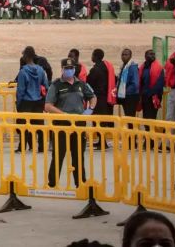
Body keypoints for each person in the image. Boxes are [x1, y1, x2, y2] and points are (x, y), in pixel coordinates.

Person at [45, 58, 96, 188]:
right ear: (62, 69)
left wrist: (89, 110)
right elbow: (48, 106)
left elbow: (93, 97)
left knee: (78, 155)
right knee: (58, 155)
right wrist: (64, 115)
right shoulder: (56, 85)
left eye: (71, 68)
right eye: (66, 68)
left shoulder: (81, 84)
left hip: (79, 125)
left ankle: (80, 183)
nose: (69, 70)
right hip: (61, 126)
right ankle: (52, 183)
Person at [16, 48, 48, 152]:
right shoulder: (41, 70)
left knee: (23, 126)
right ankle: (42, 147)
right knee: (39, 126)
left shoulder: (23, 71)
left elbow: (21, 90)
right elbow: (45, 85)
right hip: (38, 101)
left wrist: (18, 104)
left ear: (26, 56)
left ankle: (22, 147)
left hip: (26, 101)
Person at [87, 49, 115, 149]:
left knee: (98, 121)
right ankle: (101, 141)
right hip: (105, 97)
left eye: (92, 55)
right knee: (101, 120)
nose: (91, 57)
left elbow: (89, 81)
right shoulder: (106, 67)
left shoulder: (95, 70)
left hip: (98, 98)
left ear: (95, 56)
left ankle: (103, 143)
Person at [139, 50, 164, 121]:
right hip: (144, 97)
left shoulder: (159, 68)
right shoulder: (143, 67)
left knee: (152, 117)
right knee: (145, 117)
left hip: (154, 97)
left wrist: (150, 93)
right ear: (145, 56)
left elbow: (160, 84)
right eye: (151, 54)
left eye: (153, 54)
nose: (153, 56)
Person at [116, 49, 140, 119]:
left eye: (126, 55)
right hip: (125, 95)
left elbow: (135, 84)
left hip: (131, 96)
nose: (124, 56)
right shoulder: (123, 66)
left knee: (130, 118)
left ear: (130, 56)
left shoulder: (132, 67)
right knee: (127, 117)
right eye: (122, 55)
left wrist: (124, 91)